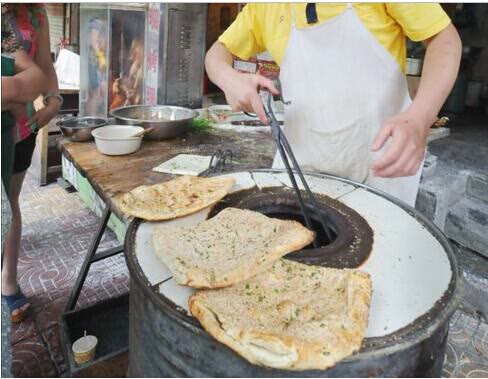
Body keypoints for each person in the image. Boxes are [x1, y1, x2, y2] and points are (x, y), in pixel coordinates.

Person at [205, 3, 462, 206]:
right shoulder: (267, 7)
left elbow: (445, 40)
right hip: (301, 166)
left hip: (381, 166)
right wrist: (229, 79)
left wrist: (419, 117)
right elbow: (217, 53)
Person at [1, 4, 61, 323]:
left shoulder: (34, 16)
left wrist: (53, 100)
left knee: (8, 205)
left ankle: (8, 282)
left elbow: (42, 69)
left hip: (20, 131)